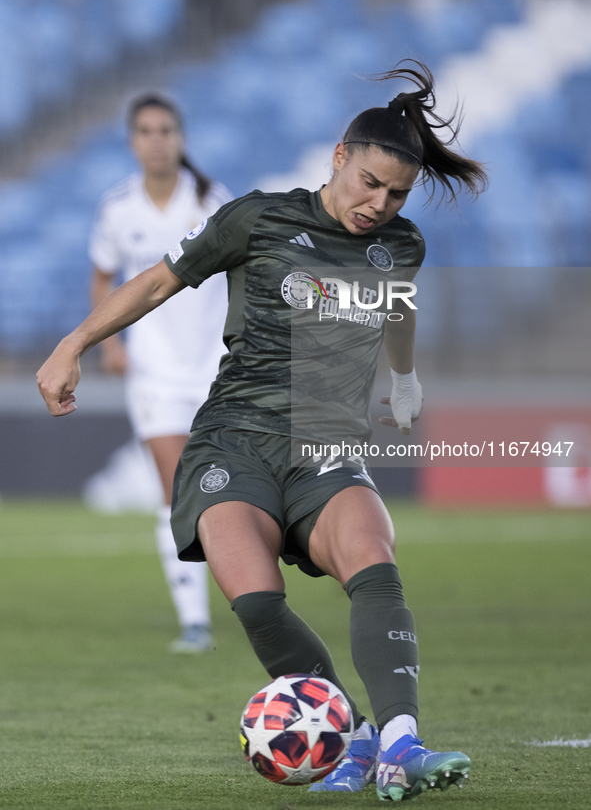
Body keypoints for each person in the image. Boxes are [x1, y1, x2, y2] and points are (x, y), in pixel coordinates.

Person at [38, 63, 486, 802]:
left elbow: (397, 310)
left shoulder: (400, 246)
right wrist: (73, 343)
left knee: (373, 560)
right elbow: (154, 281)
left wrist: (402, 377)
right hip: (234, 438)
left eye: (396, 193)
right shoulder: (255, 218)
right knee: (254, 599)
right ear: (338, 156)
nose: (379, 203)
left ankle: (401, 740)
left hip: (326, 445)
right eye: (368, 182)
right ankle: (353, 736)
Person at [89, 93, 232, 653]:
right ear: (132, 141)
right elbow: (102, 276)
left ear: (181, 138)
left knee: (228, 490)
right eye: (146, 130)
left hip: (216, 367)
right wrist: (110, 342)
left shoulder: (212, 201)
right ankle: (194, 619)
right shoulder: (117, 208)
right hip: (154, 373)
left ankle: (251, 595)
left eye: (166, 130)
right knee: (177, 491)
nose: (156, 140)